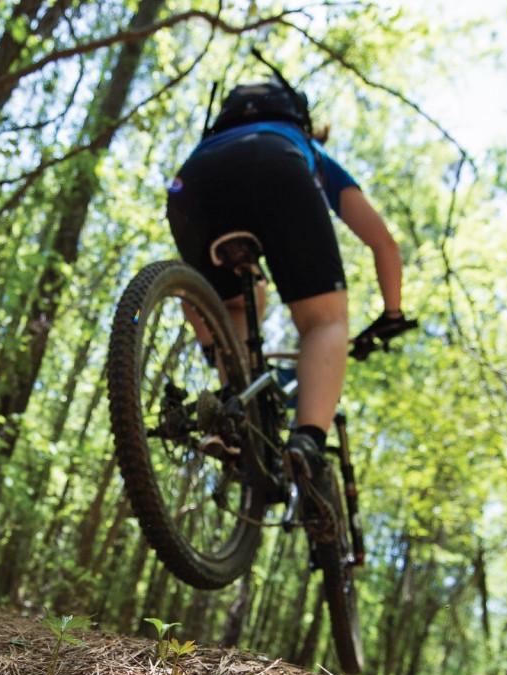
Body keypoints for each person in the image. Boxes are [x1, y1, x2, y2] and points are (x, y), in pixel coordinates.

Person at [164, 80, 413, 511]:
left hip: (190, 183)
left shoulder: (212, 143)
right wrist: (392, 313)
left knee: (238, 303)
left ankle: (233, 405)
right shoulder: (299, 144)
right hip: (275, 166)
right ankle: (307, 441)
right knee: (324, 321)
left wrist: (210, 341)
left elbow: (190, 287)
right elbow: (383, 244)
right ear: (302, 121)